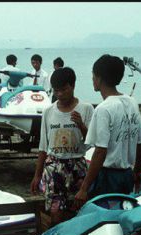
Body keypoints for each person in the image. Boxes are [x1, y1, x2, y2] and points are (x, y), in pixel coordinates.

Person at [75, 55, 141, 208]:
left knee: (104, 217)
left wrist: (84, 188)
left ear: (99, 78)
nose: (92, 79)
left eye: (93, 75)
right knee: (121, 213)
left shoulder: (103, 109)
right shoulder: (131, 102)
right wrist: (137, 172)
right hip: (126, 174)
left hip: (107, 177)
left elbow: (100, 151)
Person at [30, 67, 94, 226]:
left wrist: (80, 125)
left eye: (63, 90)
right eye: (56, 91)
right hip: (54, 167)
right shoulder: (48, 112)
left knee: (78, 210)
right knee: (55, 212)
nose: (59, 94)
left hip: (77, 166)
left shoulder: (86, 109)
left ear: (72, 86)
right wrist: (37, 175)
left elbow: (92, 143)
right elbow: (43, 146)